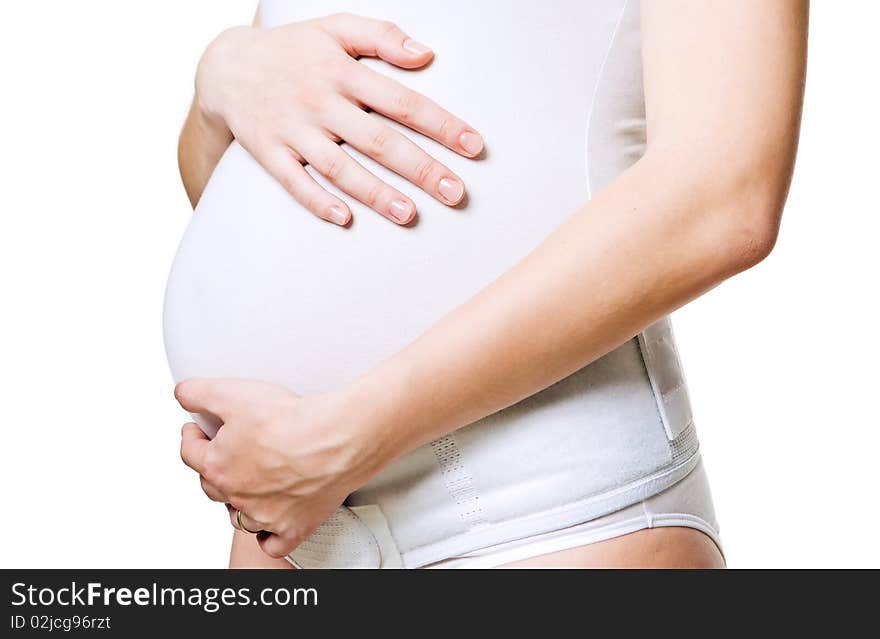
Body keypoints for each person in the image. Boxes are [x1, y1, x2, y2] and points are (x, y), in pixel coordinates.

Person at [168, 0, 808, 568]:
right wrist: (220, 79)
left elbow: (724, 198)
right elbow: (256, 190)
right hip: (292, 523)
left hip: (541, 508)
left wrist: (349, 437)